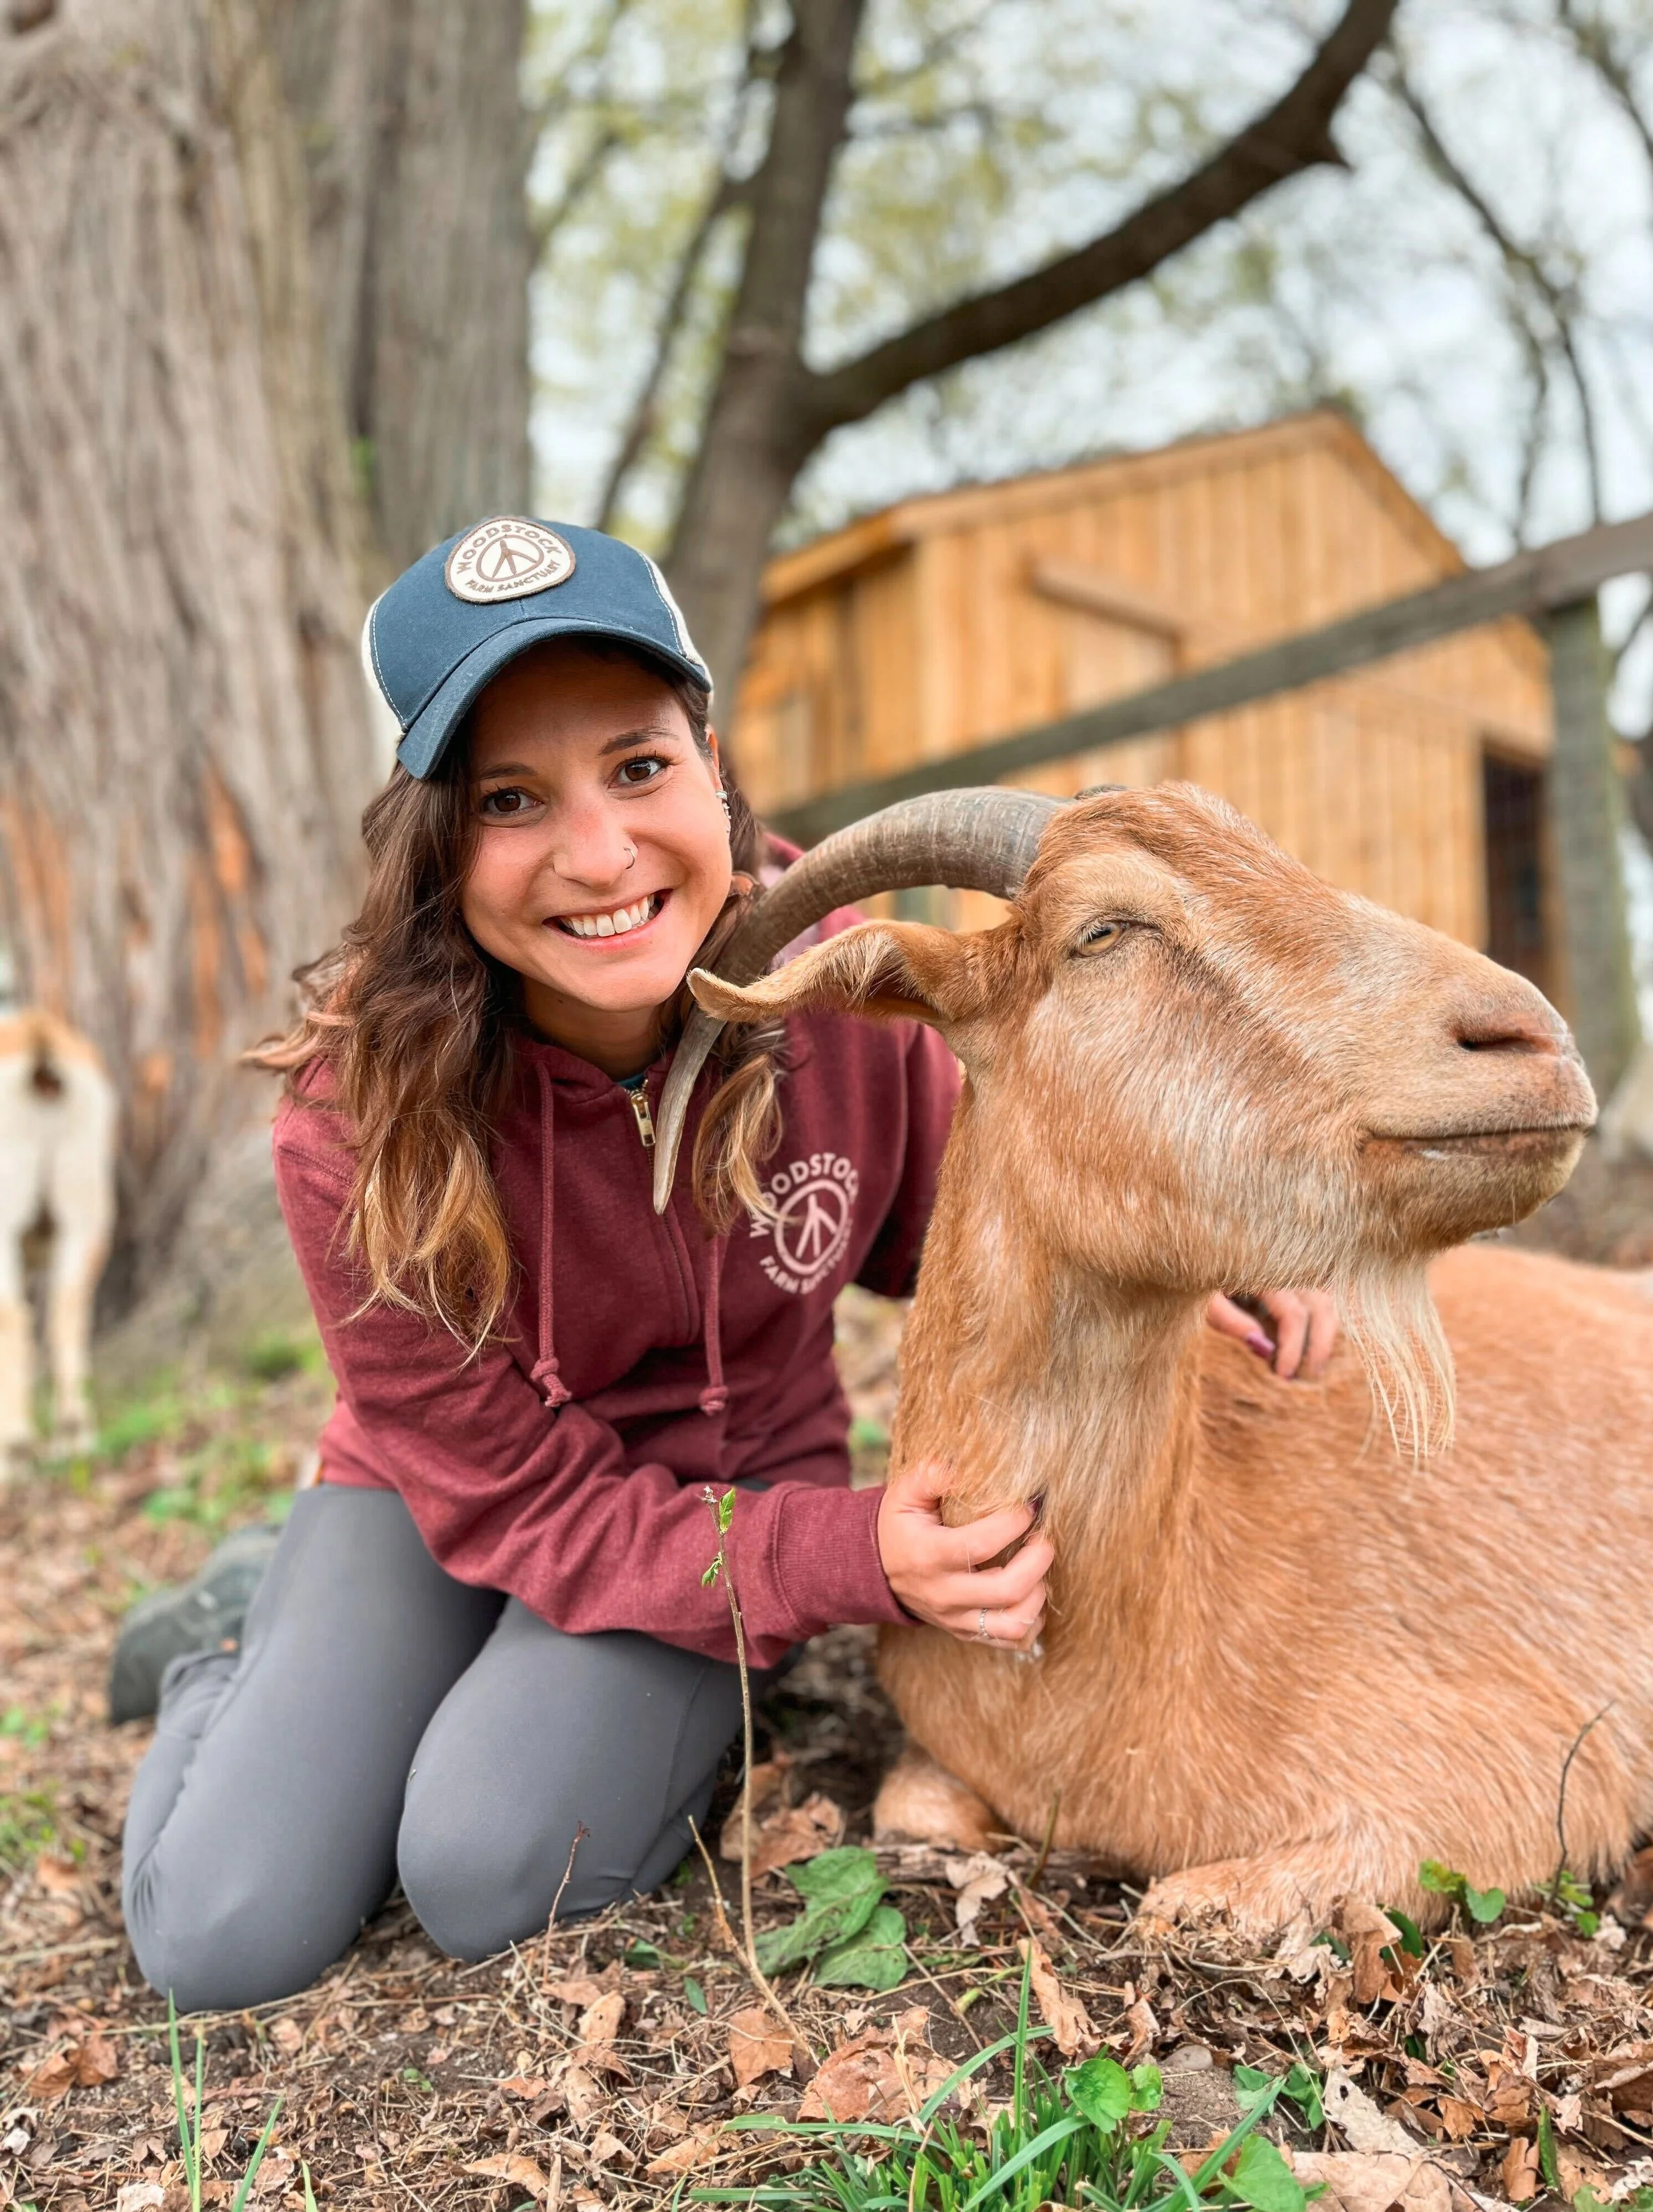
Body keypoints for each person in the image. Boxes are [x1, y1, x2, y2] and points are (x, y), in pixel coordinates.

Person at [118, 517, 1337, 2012]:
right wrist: (850, 1556)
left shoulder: (835, 985)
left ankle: (414, 1681)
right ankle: (236, 1655)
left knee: (491, 1866)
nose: (598, 852)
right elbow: (516, 1495)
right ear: (436, 841)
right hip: (455, 1492)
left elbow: (972, 1213)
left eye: (637, 767)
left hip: (728, 1482)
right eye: (511, 798)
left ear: (711, 765)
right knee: (221, 1934)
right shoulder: (354, 1122)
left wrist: (1196, 1250)